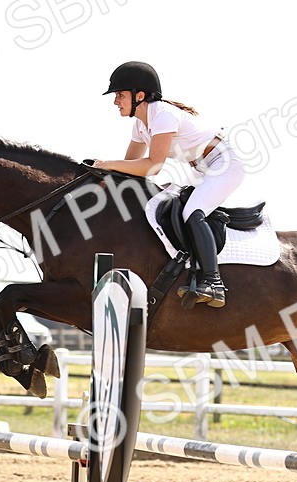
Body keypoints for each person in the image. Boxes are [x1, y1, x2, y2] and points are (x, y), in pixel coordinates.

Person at [92, 61, 245, 309]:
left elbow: (153, 166)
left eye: (120, 95)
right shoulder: (141, 125)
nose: (115, 101)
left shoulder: (163, 115)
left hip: (225, 163)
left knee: (191, 212)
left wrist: (107, 164)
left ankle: (213, 282)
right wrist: (102, 181)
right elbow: (129, 167)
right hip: (201, 168)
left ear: (139, 96)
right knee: (167, 206)